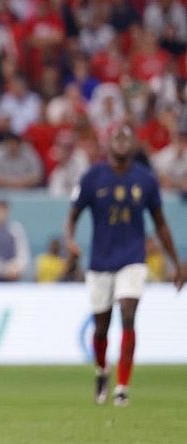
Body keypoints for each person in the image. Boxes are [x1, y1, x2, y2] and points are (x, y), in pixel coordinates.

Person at [64, 123, 183, 407]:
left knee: (128, 315)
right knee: (101, 327)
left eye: (126, 138)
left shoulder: (146, 180)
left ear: (132, 145)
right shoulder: (93, 177)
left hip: (132, 259)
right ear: (108, 143)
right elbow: (73, 215)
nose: (121, 142)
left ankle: (122, 387)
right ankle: (102, 370)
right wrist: (69, 239)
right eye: (116, 136)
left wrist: (176, 262)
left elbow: (161, 224)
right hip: (100, 261)